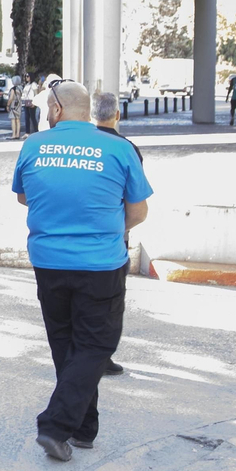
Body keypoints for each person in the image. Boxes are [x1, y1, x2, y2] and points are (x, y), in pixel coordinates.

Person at [12, 81, 152, 462]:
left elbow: (24, 195)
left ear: (56, 110)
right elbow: (138, 212)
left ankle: (83, 428)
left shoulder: (33, 146)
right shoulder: (119, 148)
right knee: (95, 345)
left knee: (65, 343)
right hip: (99, 263)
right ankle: (56, 426)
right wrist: (102, 223)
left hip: (48, 261)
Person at [91, 91, 144, 378]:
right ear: (118, 115)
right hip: (113, 240)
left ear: (91, 115)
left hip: (78, 237)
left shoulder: (83, 145)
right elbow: (135, 200)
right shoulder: (127, 148)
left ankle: (78, 353)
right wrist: (119, 229)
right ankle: (102, 356)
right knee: (110, 304)